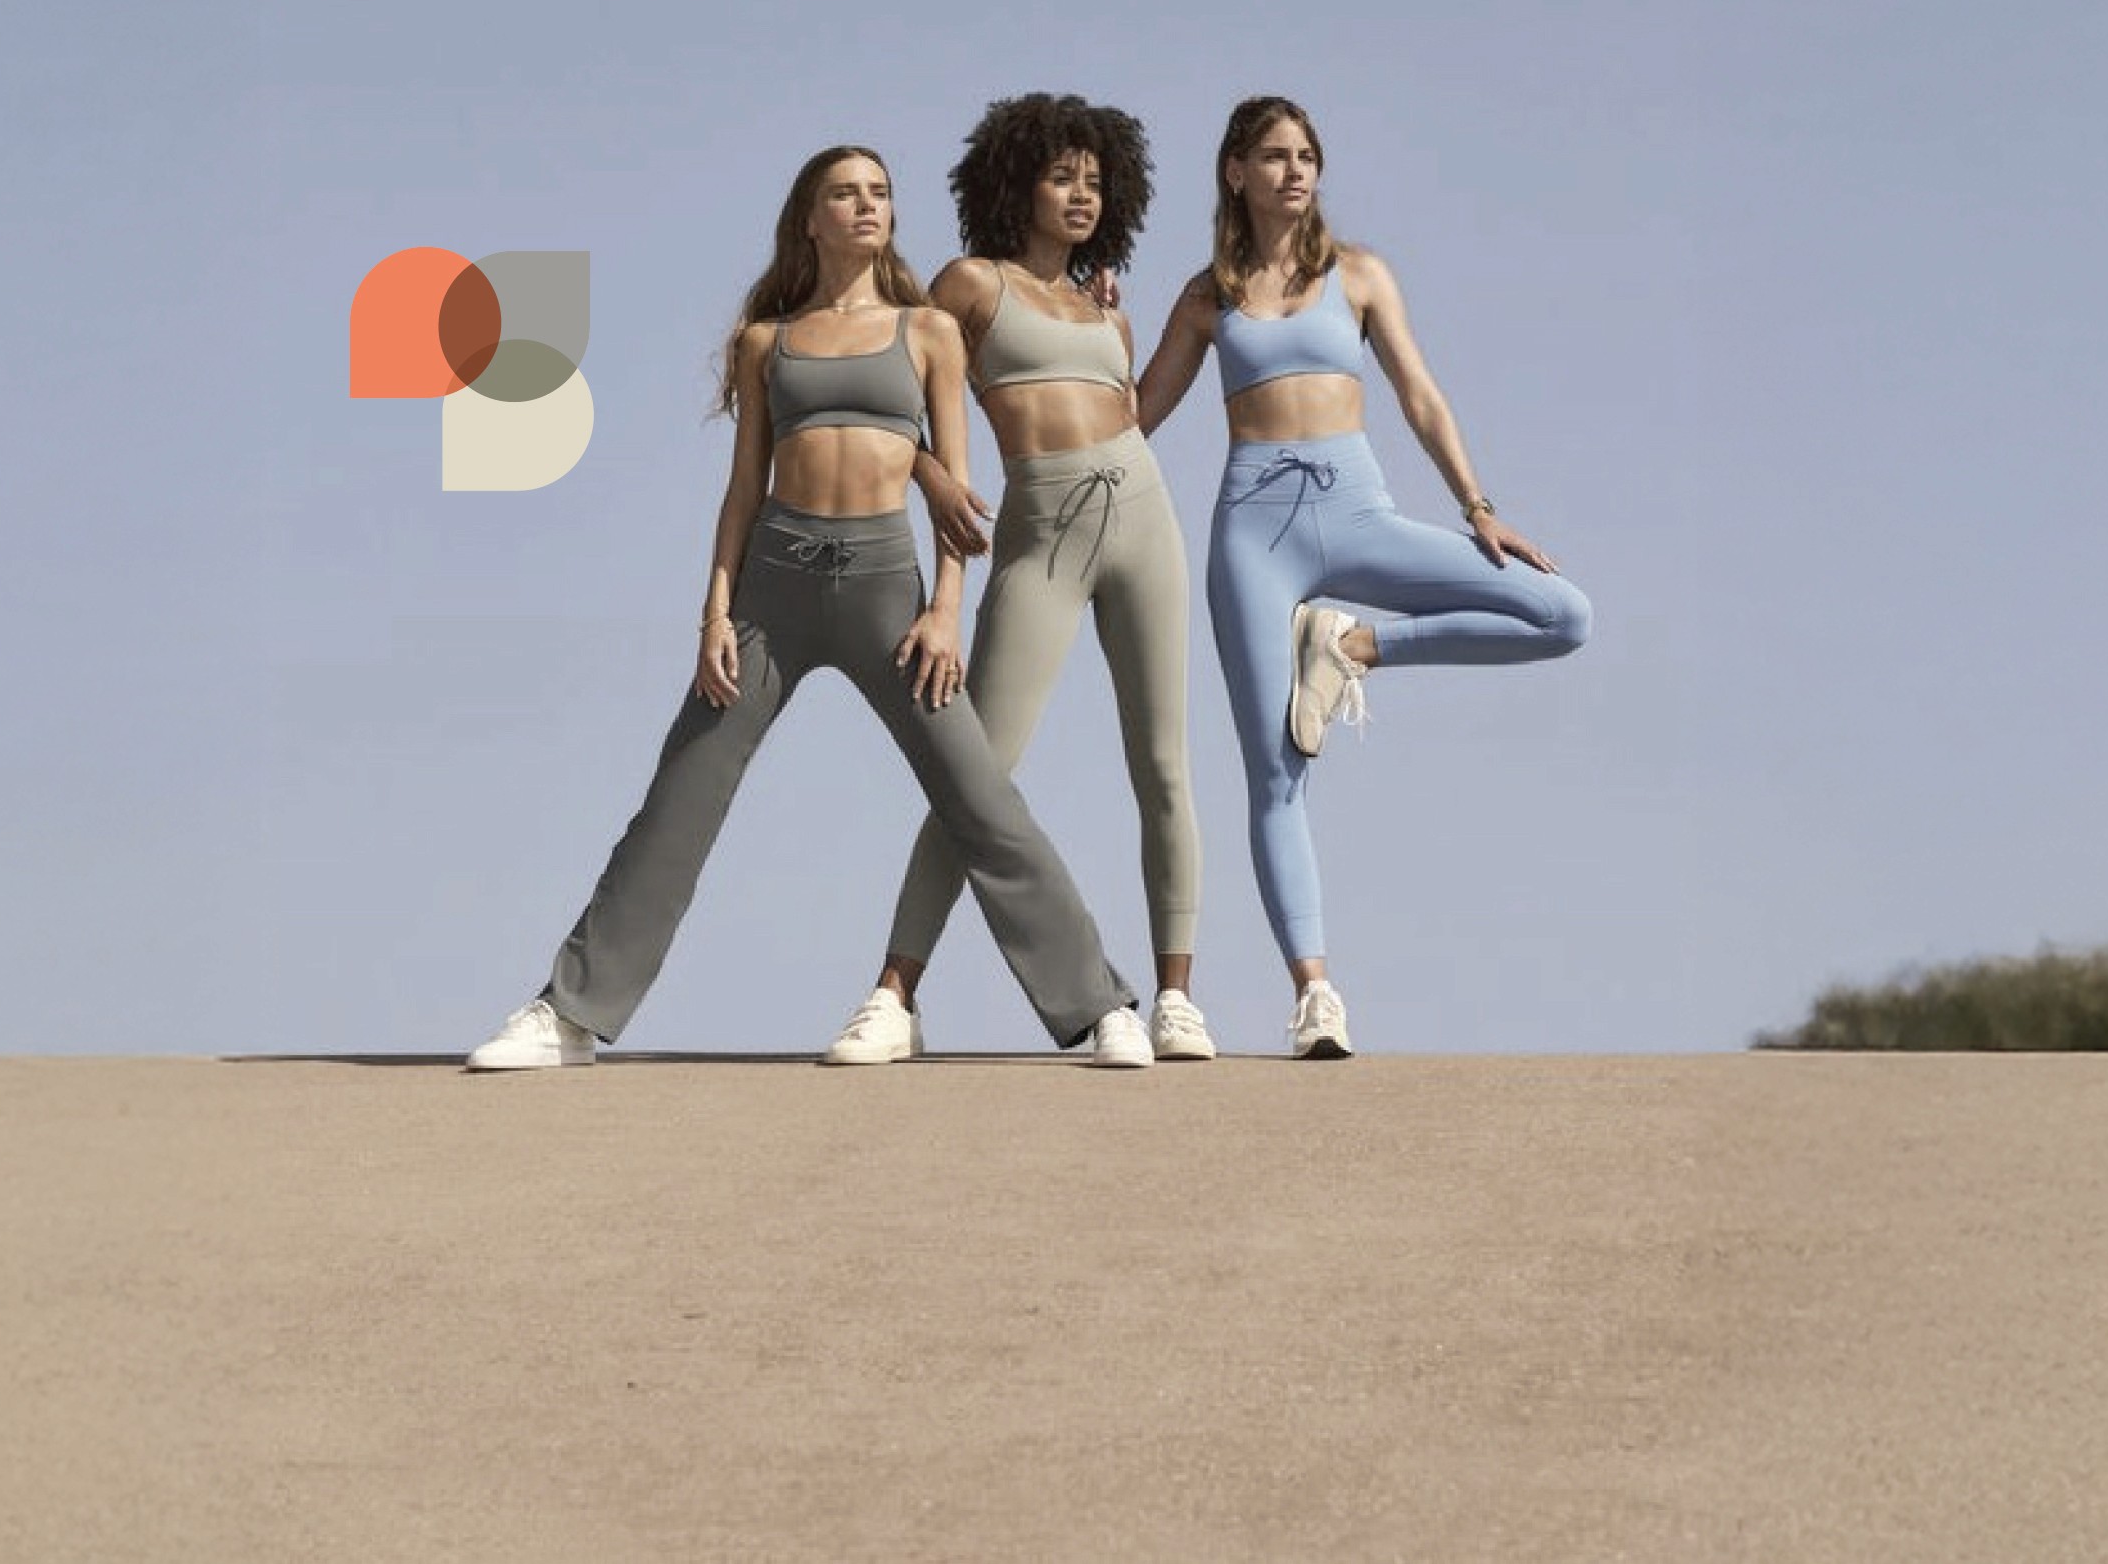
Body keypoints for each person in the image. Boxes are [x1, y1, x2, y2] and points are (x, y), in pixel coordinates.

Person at [467, 143, 1155, 1071]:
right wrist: (713, 615)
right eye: (846, 192)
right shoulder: (767, 341)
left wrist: (946, 609)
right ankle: (568, 1012)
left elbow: (953, 482)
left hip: (885, 588)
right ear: (811, 216)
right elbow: (742, 491)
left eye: (879, 192)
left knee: (978, 794)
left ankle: (1101, 1005)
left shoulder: (927, 331)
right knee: (679, 798)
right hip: (772, 588)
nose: (866, 205)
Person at [1136, 96, 1592, 1059]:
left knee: (1560, 612)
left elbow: (1420, 394)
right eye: (1273, 156)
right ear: (1234, 173)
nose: (1295, 171)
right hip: (1253, 532)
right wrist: (1089, 342)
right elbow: (1137, 415)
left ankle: (1353, 645)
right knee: (1274, 771)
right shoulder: (1203, 296)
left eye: (1307, 156)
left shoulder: (1361, 274)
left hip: (1359, 512)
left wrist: (1476, 506)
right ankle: (1315, 996)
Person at [820, 94, 1214, 1065]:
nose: (1082, 194)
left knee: (1163, 763)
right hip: (1037, 529)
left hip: (1144, 513)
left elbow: (1119, 412)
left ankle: (1175, 997)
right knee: (977, 767)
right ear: (1015, 183)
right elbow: (882, 397)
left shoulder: (1102, 310)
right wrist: (932, 476)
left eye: (1095, 180)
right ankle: (893, 997)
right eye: (1061, 176)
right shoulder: (969, 286)